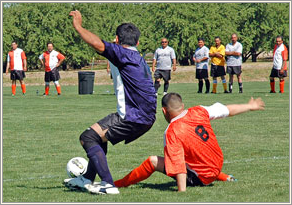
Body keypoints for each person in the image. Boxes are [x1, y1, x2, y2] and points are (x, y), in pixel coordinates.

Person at [64, 10, 157, 195]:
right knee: (95, 135)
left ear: (116, 39)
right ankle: (87, 179)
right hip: (143, 115)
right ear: (137, 42)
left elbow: (98, 44)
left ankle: (108, 184)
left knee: (88, 138)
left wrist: (78, 26)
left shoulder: (123, 54)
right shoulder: (137, 57)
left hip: (133, 116)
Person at [114, 93, 265, 192]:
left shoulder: (172, 131)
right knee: (193, 151)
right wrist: (250, 106)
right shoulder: (199, 111)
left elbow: (178, 164)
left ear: (164, 111)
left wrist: (182, 192)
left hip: (203, 177)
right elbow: (227, 110)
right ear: (183, 106)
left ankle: (118, 184)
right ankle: (225, 176)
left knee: (152, 161)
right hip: (217, 163)